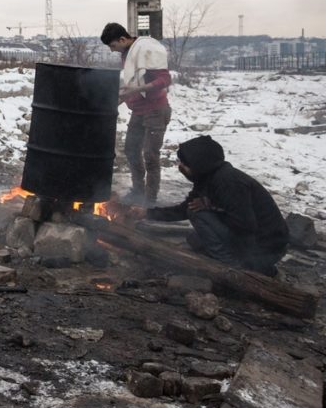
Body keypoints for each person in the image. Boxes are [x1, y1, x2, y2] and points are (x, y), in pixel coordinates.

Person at [143, 135, 288, 276]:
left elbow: (245, 225)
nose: (181, 167)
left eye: (184, 164)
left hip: (265, 247)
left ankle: (232, 267)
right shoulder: (207, 178)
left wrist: (211, 206)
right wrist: (147, 213)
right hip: (254, 242)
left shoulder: (228, 182)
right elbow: (182, 210)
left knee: (197, 214)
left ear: (199, 164)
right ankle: (258, 267)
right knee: (195, 239)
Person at [101, 22, 172, 205]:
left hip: (156, 110)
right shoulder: (128, 54)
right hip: (139, 111)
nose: (112, 51)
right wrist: (121, 98)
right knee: (131, 150)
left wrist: (135, 90)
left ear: (123, 39)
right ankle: (138, 191)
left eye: (113, 46)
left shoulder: (146, 49)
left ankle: (150, 199)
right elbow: (135, 83)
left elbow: (165, 79)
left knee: (150, 155)